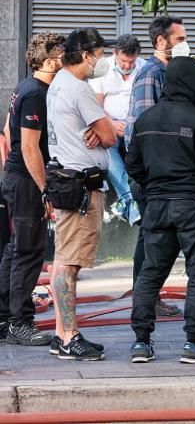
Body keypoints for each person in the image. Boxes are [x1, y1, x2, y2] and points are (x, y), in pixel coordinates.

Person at [126, 56, 195, 364]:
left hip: (157, 206)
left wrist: (153, 187)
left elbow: (132, 165)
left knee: (150, 274)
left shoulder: (146, 120)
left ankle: (140, 342)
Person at [47, 27, 117, 360]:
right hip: (81, 187)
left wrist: (99, 128)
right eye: (101, 55)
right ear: (87, 55)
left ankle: (61, 333)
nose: (103, 62)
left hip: (67, 180)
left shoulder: (58, 83)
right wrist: (106, 127)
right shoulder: (79, 89)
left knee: (63, 259)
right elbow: (110, 136)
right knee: (69, 264)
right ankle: (69, 337)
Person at [0, 33, 64, 346]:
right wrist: (45, 190)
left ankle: (4, 318)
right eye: (63, 55)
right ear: (51, 60)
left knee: (15, 251)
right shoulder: (37, 93)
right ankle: (19, 323)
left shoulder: (25, 86)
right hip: (26, 181)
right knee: (28, 253)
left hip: (17, 179)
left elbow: (8, 131)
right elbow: (28, 146)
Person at [125, 15, 188, 318]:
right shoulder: (151, 74)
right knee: (153, 236)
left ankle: (148, 295)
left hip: (163, 171)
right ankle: (145, 298)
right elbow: (145, 127)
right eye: (179, 39)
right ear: (161, 41)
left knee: (158, 235)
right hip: (152, 172)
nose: (184, 44)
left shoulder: (168, 73)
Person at [89, 34, 145, 225]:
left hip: (136, 126)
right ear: (114, 54)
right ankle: (130, 201)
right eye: (123, 61)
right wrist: (111, 124)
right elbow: (96, 105)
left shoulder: (144, 67)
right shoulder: (101, 69)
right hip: (108, 123)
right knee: (109, 158)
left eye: (131, 61)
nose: (128, 65)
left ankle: (126, 204)